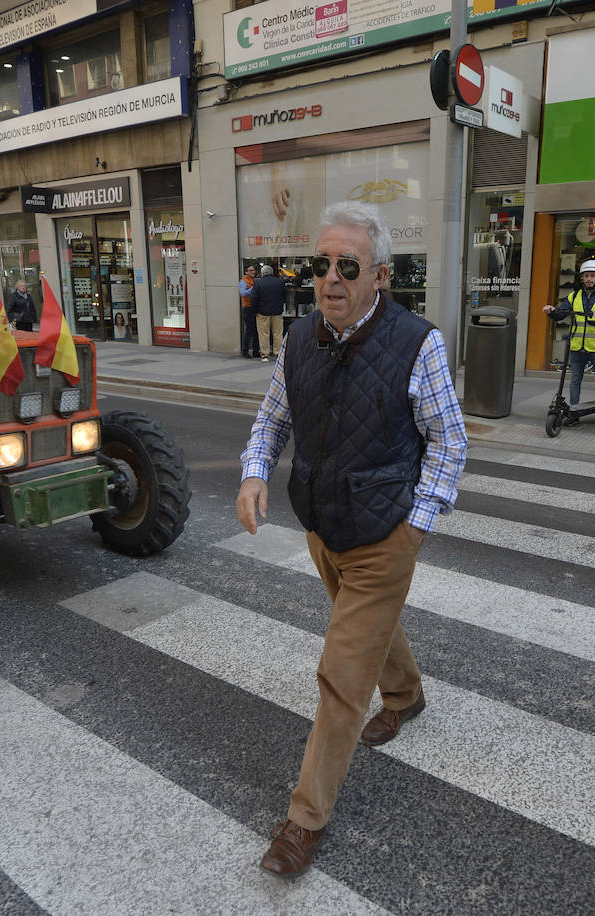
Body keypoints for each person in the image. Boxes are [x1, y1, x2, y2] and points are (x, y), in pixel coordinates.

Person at [236, 201, 467, 878]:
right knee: (364, 629)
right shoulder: (300, 337)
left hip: (384, 531)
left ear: (381, 276)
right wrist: (255, 474)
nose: (330, 279)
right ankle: (406, 696)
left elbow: (449, 443)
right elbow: (272, 417)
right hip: (323, 525)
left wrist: (416, 528)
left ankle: (304, 820)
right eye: (319, 265)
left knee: (341, 675)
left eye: (347, 266)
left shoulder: (417, 342)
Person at [541, 258, 595, 428]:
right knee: (575, 380)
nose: (589, 279)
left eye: (592, 275)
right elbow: (561, 314)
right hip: (577, 345)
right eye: (586, 276)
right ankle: (574, 412)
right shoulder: (574, 295)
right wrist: (551, 311)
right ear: (582, 278)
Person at [251, 264, 287, 361]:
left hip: (262, 312)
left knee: (264, 333)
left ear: (263, 273)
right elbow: (284, 295)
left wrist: (255, 311)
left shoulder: (258, 283)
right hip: (277, 311)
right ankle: (278, 353)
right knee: (278, 333)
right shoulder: (280, 282)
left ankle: (265, 354)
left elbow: (254, 298)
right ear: (271, 272)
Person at [239, 264, 260, 358]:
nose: (253, 272)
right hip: (247, 308)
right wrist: (253, 288)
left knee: (256, 331)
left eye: (253, 270)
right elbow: (243, 294)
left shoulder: (253, 281)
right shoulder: (243, 282)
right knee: (249, 330)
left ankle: (256, 351)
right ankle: (245, 352)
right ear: (246, 272)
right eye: (250, 270)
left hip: (254, 307)